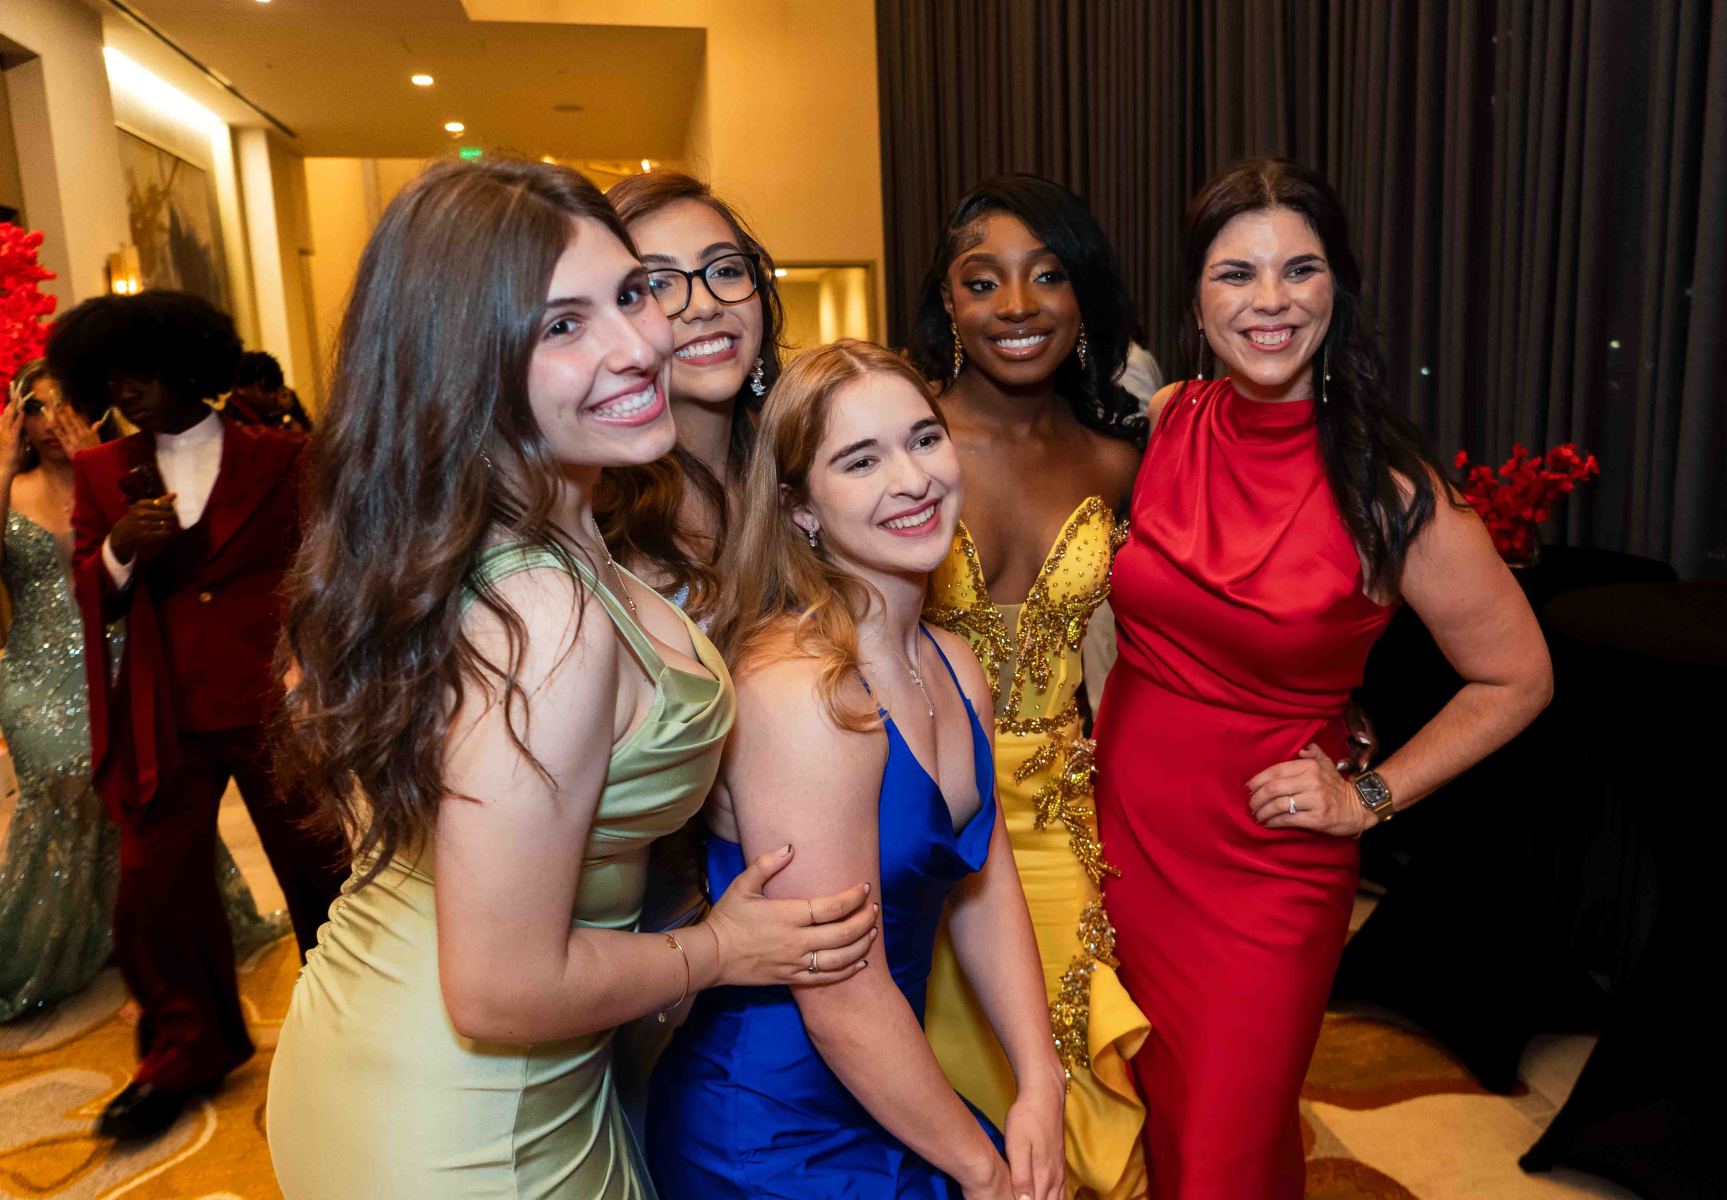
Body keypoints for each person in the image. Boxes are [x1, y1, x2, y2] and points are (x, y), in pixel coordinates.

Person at [264, 158, 877, 1200]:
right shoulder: (541, 609)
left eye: (630, 294)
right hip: (464, 1121)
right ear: (461, 363)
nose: (640, 344)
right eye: (562, 325)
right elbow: (500, 987)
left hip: (406, 1044)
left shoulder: (511, 529)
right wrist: (721, 950)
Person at [1095, 158, 1554, 1198]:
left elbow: (1517, 677)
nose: (1270, 300)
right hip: (1123, 840)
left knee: (1219, 1151)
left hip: (1266, 868)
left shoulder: (1392, 491)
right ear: (1195, 302)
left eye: (1299, 270)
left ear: (1337, 291)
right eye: (1235, 273)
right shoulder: (1167, 419)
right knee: (1144, 1133)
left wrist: (1367, 796)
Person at [646, 340, 1065, 1200]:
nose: (912, 481)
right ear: (799, 507)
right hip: (772, 1134)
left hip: (895, 1092)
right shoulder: (802, 691)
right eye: (862, 460)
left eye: (924, 440)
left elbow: (985, 885)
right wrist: (981, 1169)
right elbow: (838, 993)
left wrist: (1041, 1079)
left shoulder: (953, 662)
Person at [48, 292, 346, 1139]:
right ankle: (186, 1049)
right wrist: (119, 549)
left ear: (188, 366)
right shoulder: (103, 471)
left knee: (319, 877)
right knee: (153, 887)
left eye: (140, 374)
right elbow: (89, 591)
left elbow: (326, 567)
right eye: (112, 379)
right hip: (163, 710)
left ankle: (346, 1036)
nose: (125, 393)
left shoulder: (283, 455)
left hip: (273, 703)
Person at [906, 174, 1149, 1199]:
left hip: (1057, 825)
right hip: (919, 812)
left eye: (1048, 276)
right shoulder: (902, 441)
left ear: (1084, 293)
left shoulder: (1116, 459)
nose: (1016, 305)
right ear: (948, 302)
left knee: (1074, 1110)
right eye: (982, 281)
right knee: (929, 1099)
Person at [0, 363, 278, 1023]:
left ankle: (144, 940)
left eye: (67, 403)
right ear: (18, 420)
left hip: (125, 654)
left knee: (144, 796)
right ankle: (59, 937)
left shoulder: (123, 472)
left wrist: (100, 468)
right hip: (37, 668)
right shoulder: (12, 486)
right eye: (37, 408)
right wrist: (3, 468)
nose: (53, 420)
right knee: (67, 776)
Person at [596, 171, 784, 624]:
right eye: (657, 284)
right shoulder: (592, 515)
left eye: (725, 270)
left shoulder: (802, 472)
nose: (704, 305)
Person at [223, 350, 311, 432]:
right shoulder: (234, 425)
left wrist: (292, 410)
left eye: (276, 388)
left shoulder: (263, 417)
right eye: (267, 387)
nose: (273, 395)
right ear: (241, 387)